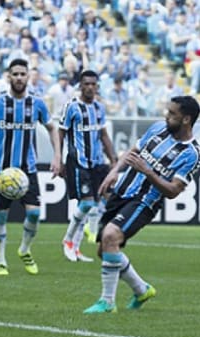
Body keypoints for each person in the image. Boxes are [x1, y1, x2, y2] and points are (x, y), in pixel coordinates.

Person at [84, 96, 200, 313]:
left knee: (110, 236)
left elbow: (174, 190)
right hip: (121, 192)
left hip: (144, 202)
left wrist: (148, 171)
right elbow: (133, 152)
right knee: (105, 250)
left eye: (172, 113)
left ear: (186, 119)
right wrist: (114, 172)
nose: (166, 116)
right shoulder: (157, 129)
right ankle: (141, 289)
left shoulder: (192, 154)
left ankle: (107, 302)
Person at [0, 58, 61, 276]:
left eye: (23, 74)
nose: (20, 78)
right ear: (9, 77)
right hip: (1, 170)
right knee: (0, 216)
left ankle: (24, 249)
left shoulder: (38, 104)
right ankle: (1, 260)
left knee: (34, 214)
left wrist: (57, 156)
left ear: (28, 76)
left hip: (27, 170)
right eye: (15, 74)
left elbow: (52, 129)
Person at [59, 70, 117, 263]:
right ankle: (67, 241)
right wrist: (58, 159)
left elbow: (104, 135)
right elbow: (60, 133)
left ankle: (75, 248)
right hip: (78, 162)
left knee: (90, 205)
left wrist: (114, 161)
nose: (90, 87)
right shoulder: (72, 107)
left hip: (97, 163)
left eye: (93, 84)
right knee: (86, 203)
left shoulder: (99, 108)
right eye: (87, 84)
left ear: (97, 86)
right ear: (80, 86)